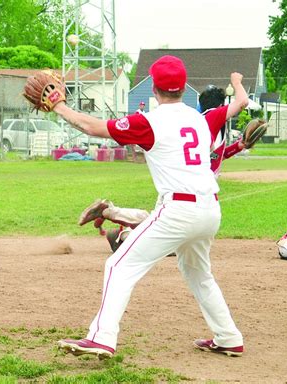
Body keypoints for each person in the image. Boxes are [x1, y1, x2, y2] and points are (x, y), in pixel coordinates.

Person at [55, 55, 248, 359]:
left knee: (119, 266)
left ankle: (102, 337)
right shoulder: (202, 118)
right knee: (198, 272)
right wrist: (237, 84)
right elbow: (238, 104)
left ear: (154, 89)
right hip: (210, 209)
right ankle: (228, 336)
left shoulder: (149, 122)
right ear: (184, 87)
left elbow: (92, 127)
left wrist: (58, 106)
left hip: (178, 211)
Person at [79, 82, 251, 252]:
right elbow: (242, 101)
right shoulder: (212, 116)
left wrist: (238, 146)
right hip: (185, 186)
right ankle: (119, 228)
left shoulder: (206, 123)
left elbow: (215, 157)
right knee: (170, 239)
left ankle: (115, 221)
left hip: (189, 184)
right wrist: (236, 81)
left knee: (164, 228)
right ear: (220, 106)